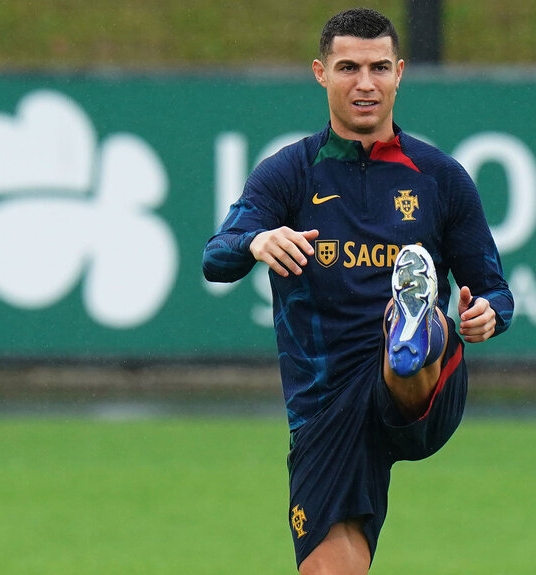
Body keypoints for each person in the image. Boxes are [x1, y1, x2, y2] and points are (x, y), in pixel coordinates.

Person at [202, 7, 513, 574]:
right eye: (348, 67)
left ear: (400, 72)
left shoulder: (440, 178)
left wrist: (486, 315)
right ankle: (413, 329)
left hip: (421, 395)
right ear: (321, 72)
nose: (364, 84)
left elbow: (494, 291)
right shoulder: (289, 173)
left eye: (378, 68)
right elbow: (215, 257)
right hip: (324, 409)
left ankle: (411, 331)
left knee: (423, 331)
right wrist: (256, 241)